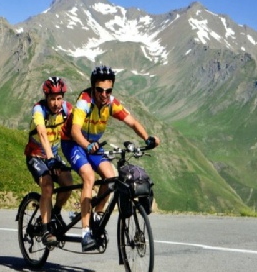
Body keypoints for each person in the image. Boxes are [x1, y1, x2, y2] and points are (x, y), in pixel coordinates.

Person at [62, 65, 160, 251]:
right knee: (89, 177)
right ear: (93, 88)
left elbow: (131, 121)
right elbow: (75, 131)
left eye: (108, 90)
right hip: (73, 143)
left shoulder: (111, 103)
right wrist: (87, 146)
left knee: (110, 175)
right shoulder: (84, 101)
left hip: (93, 145)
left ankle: (96, 216)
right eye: (99, 90)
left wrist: (147, 138)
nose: (104, 94)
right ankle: (85, 233)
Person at [24, 77, 74, 246]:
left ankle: (56, 212)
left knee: (68, 184)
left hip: (52, 154)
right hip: (36, 155)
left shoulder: (67, 109)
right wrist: (50, 160)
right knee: (47, 186)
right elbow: (43, 134)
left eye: (59, 98)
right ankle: (45, 229)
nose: (56, 103)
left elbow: (78, 127)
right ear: (46, 98)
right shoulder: (39, 110)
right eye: (52, 99)